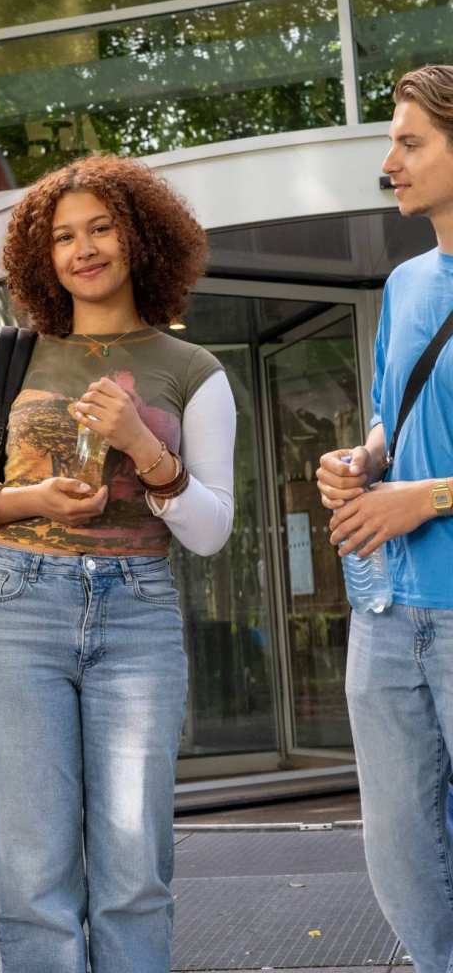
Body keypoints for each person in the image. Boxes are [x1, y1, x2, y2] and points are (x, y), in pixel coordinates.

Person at [0, 155, 236, 973]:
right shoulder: (8, 360)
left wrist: (144, 447)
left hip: (137, 610)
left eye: (101, 228)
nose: (84, 249)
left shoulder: (194, 372)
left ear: (139, 237)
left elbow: (210, 531)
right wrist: (27, 501)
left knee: (135, 873)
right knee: (32, 875)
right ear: (43, 256)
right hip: (13, 608)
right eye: (64, 236)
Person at [317, 65, 453, 973]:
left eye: (411, 143)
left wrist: (428, 497)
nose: (389, 161)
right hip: (387, 611)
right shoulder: (406, 285)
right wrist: (363, 460)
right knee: (399, 848)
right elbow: (388, 412)